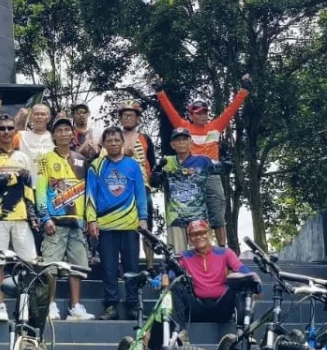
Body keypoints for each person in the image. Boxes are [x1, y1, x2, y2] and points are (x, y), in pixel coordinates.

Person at [154, 75, 251, 244]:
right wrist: (159, 92)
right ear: (191, 115)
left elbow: (231, 110)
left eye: (205, 112)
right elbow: (170, 111)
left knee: (218, 213)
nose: (203, 116)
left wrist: (244, 90)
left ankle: (222, 248)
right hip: (190, 176)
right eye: (198, 113)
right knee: (191, 214)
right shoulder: (184, 127)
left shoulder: (215, 127)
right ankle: (193, 247)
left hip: (211, 174)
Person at [0, 113, 38, 322]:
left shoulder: (22, 156)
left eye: (9, 128)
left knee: (28, 262)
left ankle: (23, 305)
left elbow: (29, 186)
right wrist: (12, 177)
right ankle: (0, 306)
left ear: (14, 131)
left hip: (21, 216)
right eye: (1, 128)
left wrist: (32, 213)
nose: (5, 132)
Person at [86, 126, 149, 320]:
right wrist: (92, 220)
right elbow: (90, 195)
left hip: (130, 225)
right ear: (103, 144)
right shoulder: (96, 166)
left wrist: (143, 218)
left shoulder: (133, 165)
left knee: (131, 268)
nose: (113, 143)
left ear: (122, 142)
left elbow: (140, 193)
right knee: (108, 267)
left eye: (116, 140)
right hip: (105, 225)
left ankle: (133, 306)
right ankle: (111, 306)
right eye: (109, 141)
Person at [35, 115, 95, 320]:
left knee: (77, 265)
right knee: (50, 265)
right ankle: (50, 305)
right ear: (53, 135)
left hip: (77, 222)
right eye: (58, 130)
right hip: (55, 221)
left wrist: (89, 217)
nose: (63, 134)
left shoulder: (81, 160)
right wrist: (45, 218)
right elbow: (40, 191)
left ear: (72, 134)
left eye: (66, 130)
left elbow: (88, 192)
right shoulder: (44, 160)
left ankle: (75, 306)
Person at [161, 219, 255, 325]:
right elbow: (171, 272)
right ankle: (181, 333)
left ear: (209, 233)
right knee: (175, 286)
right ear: (189, 238)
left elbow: (239, 267)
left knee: (241, 282)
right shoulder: (184, 256)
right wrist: (163, 277)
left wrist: (251, 277)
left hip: (222, 307)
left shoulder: (225, 252)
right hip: (196, 307)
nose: (199, 237)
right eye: (194, 234)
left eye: (202, 232)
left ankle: (244, 333)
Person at [156, 128, 221, 252]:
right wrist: (158, 170)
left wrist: (226, 156)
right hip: (175, 218)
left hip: (198, 217)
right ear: (172, 145)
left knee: (201, 255)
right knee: (177, 257)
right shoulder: (166, 162)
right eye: (177, 140)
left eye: (184, 139)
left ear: (191, 142)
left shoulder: (203, 160)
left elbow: (223, 169)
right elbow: (154, 182)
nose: (181, 142)